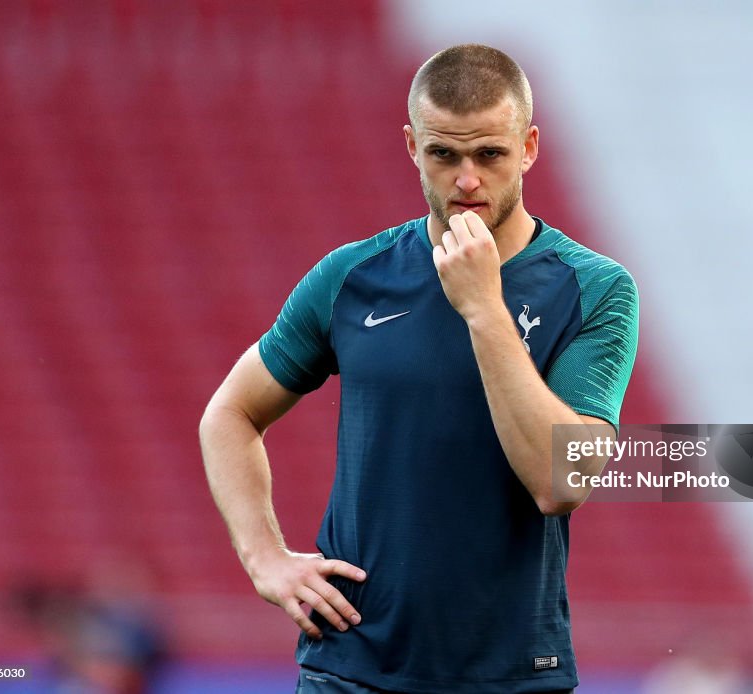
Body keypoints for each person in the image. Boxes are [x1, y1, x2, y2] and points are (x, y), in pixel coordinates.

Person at [199, 44, 639, 694]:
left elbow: (560, 481)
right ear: (412, 146)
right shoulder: (352, 277)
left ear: (528, 147)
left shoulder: (594, 289)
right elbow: (230, 413)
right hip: (349, 672)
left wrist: (484, 308)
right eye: (444, 154)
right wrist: (264, 557)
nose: (466, 180)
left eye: (488, 154)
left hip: (511, 678)